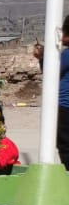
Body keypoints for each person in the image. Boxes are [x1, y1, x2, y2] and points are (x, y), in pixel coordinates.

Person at [33, 15, 69, 169]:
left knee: (65, 145)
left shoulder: (67, 55)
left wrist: (42, 57)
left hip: (65, 107)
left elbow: (51, 74)